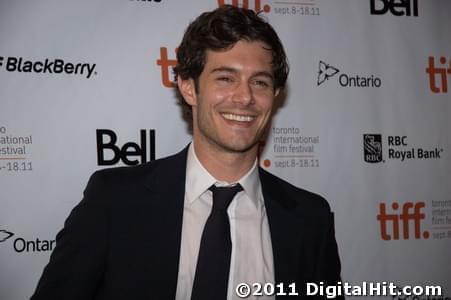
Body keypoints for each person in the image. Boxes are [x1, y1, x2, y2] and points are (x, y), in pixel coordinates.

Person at [31, 5, 342, 300]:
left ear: (274, 95)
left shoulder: (309, 219)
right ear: (189, 87)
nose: (245, 97)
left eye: (259, 82)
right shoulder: (114, 201)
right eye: (225, 78)